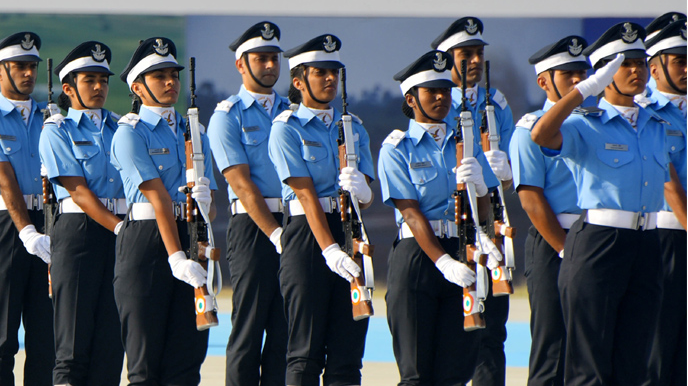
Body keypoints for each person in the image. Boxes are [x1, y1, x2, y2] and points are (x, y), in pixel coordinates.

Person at [529, 23, 684, 386]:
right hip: (600, 241)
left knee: (634, 363)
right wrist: (583, 92)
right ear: (604, 74)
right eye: (624, 64)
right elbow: (541, 135)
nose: (636, 70)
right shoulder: (585, 123)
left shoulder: (657, 123)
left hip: (648, 244)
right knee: (590, 365)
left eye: (641, 62)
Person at [377, 50, 503, 386]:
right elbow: (410, 212)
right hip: (419, 257)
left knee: (455, 372)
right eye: (432, 91)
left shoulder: (467, 142)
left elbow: (485, 209)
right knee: (416, 374)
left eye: (446, 90)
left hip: (463, 248)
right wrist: (444, 262)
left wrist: (479, 184)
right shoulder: (396, 147)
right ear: (411, 99)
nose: (441, 98)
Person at [269, 34, 376, 386]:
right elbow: (304, 195)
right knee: (305, 353)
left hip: (350, 229)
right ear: (298, 81)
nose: (331, 78)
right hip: (308, 238)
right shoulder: (286, 128)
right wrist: (329, 249)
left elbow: (366, 194)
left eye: (334, 71)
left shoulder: (354, 128)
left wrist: (363, 191)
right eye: (321, 72)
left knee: (348, 357)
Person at [110, 37, 214, 386]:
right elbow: (157, 200)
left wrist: (205, 204)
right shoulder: (129, 133)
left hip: (191, 237)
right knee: (145, 364)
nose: (170, 82)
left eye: (173, 74)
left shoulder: (195, 132)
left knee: (187, 362)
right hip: (148, 246)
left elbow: (208, 210)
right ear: (138, 87)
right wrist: (175, 257)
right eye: (159, 76)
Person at [0, 32, 56, 386]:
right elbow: (3, 178)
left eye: (32, 66)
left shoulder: (52, 116)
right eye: (20, 66)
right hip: (9, 225)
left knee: (46, 337)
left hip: (50, 221)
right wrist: (26, 231)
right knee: (2, 337)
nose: (28, 73)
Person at [431, 17, 514, 386]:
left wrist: (504, 171)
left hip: (491, 214)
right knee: (452, 329)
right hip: (451, 220)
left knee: (492, 328)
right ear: (446, 58)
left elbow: (511, 174)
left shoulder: (496, 102)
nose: (475, 60)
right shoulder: (433, 98)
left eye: (479, 53)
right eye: (466, 53)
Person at [38, 41, 127, 386]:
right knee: (73, 345)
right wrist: (122, 230)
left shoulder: (122, 128)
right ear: (68, 87)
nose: (99, 87)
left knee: (111, 344)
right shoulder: (57, 130)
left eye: (103, 80)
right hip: (80, 232)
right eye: (89, 79)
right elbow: (78, 191)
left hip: (120, 232)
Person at [207, 22, 291, 386]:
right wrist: (275, 234)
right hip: (255, 228)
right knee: (250, 325)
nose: (270, 65)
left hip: (298, 222)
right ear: (241, 64)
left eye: (274, 58)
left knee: (288, 327)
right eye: (261, 58)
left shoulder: (294, 111)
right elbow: (241, 184)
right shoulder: (227, 116)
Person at [509, 36, 592, 386]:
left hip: (599, 237)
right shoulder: (529, 130)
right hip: (555, 243)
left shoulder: (597, 123)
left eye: (582, 73)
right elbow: (531, 198)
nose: (578, 81)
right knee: (553, 347)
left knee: (594, 346)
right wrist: (564, 250)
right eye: (567, 74)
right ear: (544, 81)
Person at [635, 19, 687, 386]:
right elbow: (668, 179)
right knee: (657, 347)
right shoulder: (644, 110)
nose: (687, 68)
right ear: (653, 66)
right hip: (665, 234)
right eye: (678, 60)